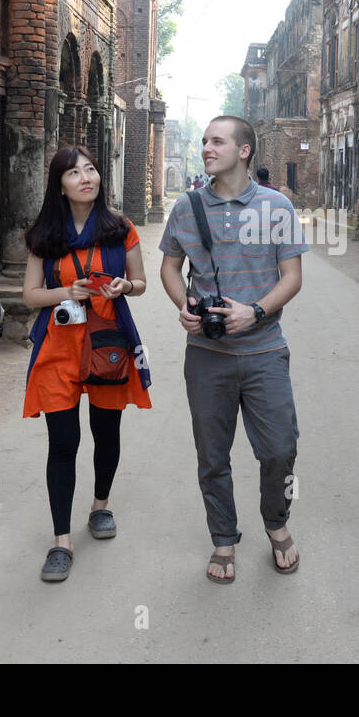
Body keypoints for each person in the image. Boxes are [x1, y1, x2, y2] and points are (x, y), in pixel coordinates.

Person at [159, 115, 308, 583]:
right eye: (204, 141)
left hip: (265, 350)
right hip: (207, 354)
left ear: (244, 151)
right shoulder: (186, 208)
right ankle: (223, 538)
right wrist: (184, 304)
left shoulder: (276, 206)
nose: (207, 147)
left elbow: (292, 278)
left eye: (217, 141)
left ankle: (276, 521)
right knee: (212, 454)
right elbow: (169, 267)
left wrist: (255, 312)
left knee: (281, 449)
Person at [22, 146, 152, 583]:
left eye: (91, 169)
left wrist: (123, 284)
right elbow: (31, 295)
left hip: (107, 343)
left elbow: (141, 284)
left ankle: (100, 505)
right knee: (62, 442)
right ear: (59, 183)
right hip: (59, 348)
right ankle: (61, 540)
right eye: (74, 172)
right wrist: (67, 292)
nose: (86, 177)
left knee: (106, 430)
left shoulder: (120, 228)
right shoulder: (44, 233)